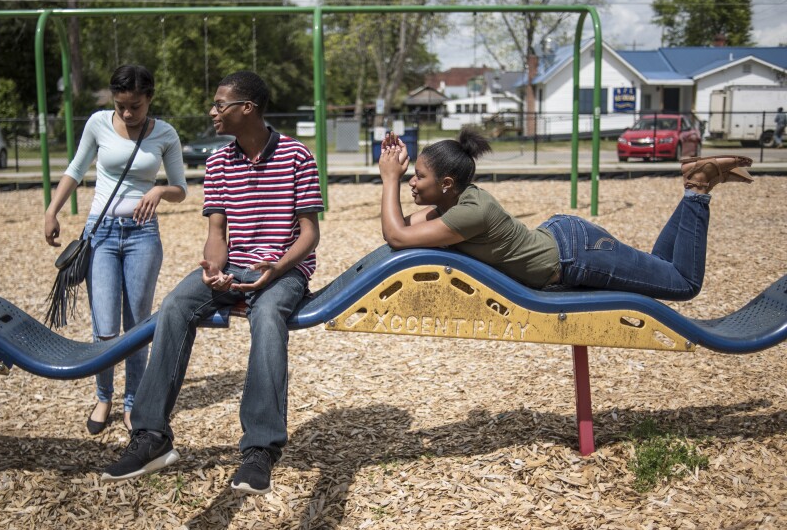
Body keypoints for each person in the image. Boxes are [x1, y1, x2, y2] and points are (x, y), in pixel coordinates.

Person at [100, 71, 324, 495]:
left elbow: (309, 233)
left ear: (247, 109)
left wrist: (275, 268)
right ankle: (151, 436)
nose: (212, 111)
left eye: (220, 104)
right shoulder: (219, 162)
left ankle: (260, 450)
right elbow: (217, 234)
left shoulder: (297, 156)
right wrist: (212, 270)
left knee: (269, 315)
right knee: (175, 305)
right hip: (234, 265)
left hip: (284, 269)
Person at [376, 129, 753, 301]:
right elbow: (397, 229)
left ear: (445, 183)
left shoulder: (469, 212)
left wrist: (389, 177)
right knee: (660, 268)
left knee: (683, 284)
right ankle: (694, 184)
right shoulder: (451, 206)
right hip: (569, 243)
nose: (411, 181)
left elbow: (397, 236)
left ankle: (698, 189)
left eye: (418, 176)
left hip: (578, 256)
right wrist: (394, 175)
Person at [44, 64, 187, 435]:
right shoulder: (97, 124)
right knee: (105, 328)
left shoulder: (166, 134)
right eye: (121, 105)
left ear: (149, 99)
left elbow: (180, 189)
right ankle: (103, 395)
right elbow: (75, 169)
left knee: (136, 327)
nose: (127, 113)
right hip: (101, 234)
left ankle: (132, 401)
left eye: (135, 106)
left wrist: (157, 191)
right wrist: (52, 210)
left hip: (143, 236)